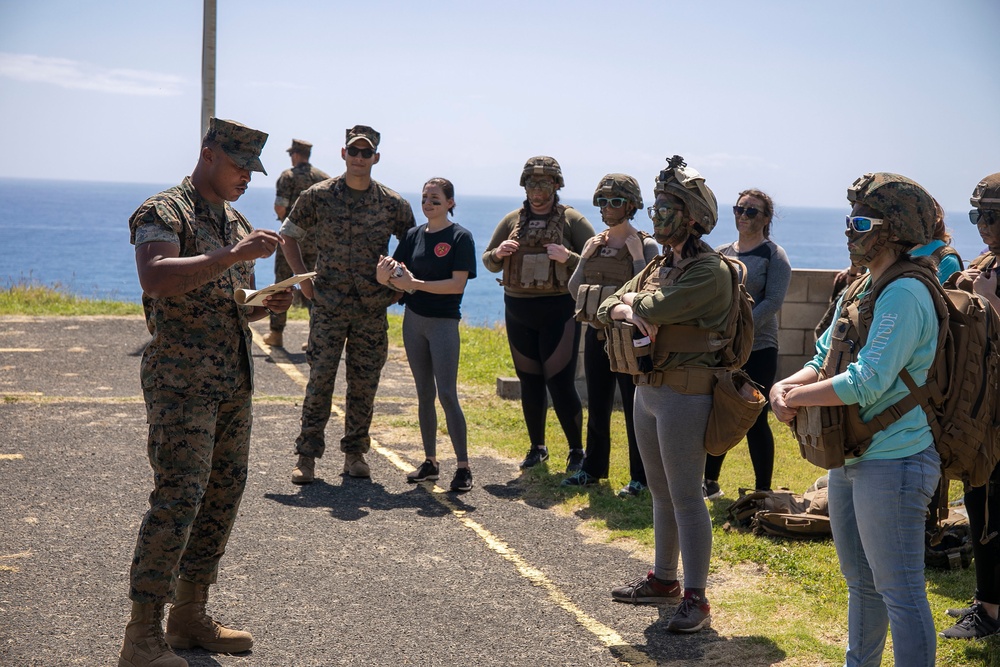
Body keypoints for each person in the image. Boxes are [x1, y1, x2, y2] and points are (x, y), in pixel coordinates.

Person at [120, 118, 293, 667]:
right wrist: (232, 255)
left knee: (222, 495)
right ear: (209, 154)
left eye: (253, 169)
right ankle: (142, 636)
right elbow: (158, 277)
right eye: (240, 165)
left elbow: (226, 296)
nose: (247, 177)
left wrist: (263, 302)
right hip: (181, 384)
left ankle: (189, 616)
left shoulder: (232, 218)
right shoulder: (164, 211)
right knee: (178, 500)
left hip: (230, 380)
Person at [770, 172, 942, 666]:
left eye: (861, 221)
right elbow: (826, 353)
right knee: (862, 584)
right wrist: (790, 383)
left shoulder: (904, 294)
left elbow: (868, 380)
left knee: (900, 591)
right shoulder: (865, 285)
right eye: (850, 220)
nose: (850, 230)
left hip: (896, 460)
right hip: (852, 457)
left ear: (893, 229)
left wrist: (799, 398)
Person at [600, 156, 729, 634]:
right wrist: (627, 307)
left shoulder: (708, 270)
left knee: (687, 495)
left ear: (692, 216)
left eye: (665, 207)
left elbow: (654, 303)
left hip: (685, 392)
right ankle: (664, 579)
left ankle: (696, 596)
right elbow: (607, 303)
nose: (654, 216)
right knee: (659, 492)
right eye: (654, 207)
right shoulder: (661, 262)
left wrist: (634, 303)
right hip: (648, 389)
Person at [280, 125, 415, 483]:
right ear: (343, 154)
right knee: (320, 381)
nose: (359, 158)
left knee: (364, 383)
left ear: (376, 158)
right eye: (353, 152)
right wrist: (304, 280)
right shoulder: (318, 196)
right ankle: (306, 457)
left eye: (365, 153)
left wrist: (400, 288)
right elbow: (288, 236)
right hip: (328, 305)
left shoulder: (392, 203)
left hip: (372, 308)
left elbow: (414, 247)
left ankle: (355, 454)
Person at [482, 156, 595, 471]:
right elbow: (488, 261)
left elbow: (597, 262)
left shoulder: (572, 221)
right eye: (532, 183)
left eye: (544, 183)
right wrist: (499, 252)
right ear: (524, 185)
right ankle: (537, 448)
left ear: (557, 185)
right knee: (529, 381)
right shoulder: (511, 220)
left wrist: (569, 257)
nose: (537, 189)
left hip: (558, 311)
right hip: (518, 309)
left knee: (560, 383)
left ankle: (576, 451)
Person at [375, 177, 478, 492]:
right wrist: (384, 277)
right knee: (423, 394)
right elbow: (399, 277)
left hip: (443, 323)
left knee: (447, 393)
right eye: (424, 198)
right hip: (414, 321)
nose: (428, 203)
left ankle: (463, 467)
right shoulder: (413, 235)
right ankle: (431, 462)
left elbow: (457, 285)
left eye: (436, 198)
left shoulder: (461, 237)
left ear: (450, 202)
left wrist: (414, 284)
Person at [561, 173, 657, 497]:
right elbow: (575, 290)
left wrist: (639, 256)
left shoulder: (645, 244)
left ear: (631, 205)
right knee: (598, 406)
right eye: (602, 201)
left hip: (630, 340)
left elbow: (650, 290)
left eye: (615, 201)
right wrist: (585, 256)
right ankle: (592, 469)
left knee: (635, 410)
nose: (607, 207)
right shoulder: (596, 243)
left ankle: (640, 478)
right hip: (597, 335)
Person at [940, 171, 1000, 640]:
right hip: (983, 408)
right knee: (979, 501)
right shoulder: (986, 262)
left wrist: (986, 299)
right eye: (977, 214)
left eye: (992, 215)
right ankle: (986, 599)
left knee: (992, 509)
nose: (982, 224)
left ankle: (991, 613)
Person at [702, 189, 791, 498]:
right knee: (718, 412)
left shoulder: (774, 255)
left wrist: (742, 328)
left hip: (759, 349)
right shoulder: (722, 252)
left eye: (752, 211)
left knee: (754, 417)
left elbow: (773, 301)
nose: (743, 215)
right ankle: (709, 483)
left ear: (766, 218)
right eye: (739, 209)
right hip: (723, 349)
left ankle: (763, 491)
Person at [264, 139, 330, 348]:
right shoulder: (323, 178)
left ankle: (276, 333)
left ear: (295, 155)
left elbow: (280, 208)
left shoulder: (288, 177)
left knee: (282, 284)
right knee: (315, 286)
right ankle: (314, 336)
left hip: (291, 241)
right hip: (317, 242)